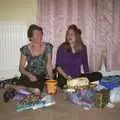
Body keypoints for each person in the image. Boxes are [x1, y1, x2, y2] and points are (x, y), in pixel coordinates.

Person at [56, 24, 102, 89]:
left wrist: (86, 78)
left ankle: (77, 85)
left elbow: (85, 64)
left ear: (77, 36)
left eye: (72, 34)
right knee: (61, 83)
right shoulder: (62, 48)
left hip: (77, 77)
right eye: (68, 34)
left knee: (99, 75)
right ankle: (76, 86)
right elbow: (58, 66)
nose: (69, 36)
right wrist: (66, 76)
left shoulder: (83, 48)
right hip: (65, 77)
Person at [17, 24, 53, 94]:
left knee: (37, 91)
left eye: (40, 33)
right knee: (20, 86)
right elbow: (21, 68)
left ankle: (23, 89)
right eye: (36, 34)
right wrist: (29, 75)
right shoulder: (25, 49)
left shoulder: (48, 47)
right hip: (28, 73)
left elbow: (48, 65)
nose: (39, 35)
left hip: (40, 76)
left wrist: (51, 79)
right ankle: (11, 86)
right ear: (31, 37)